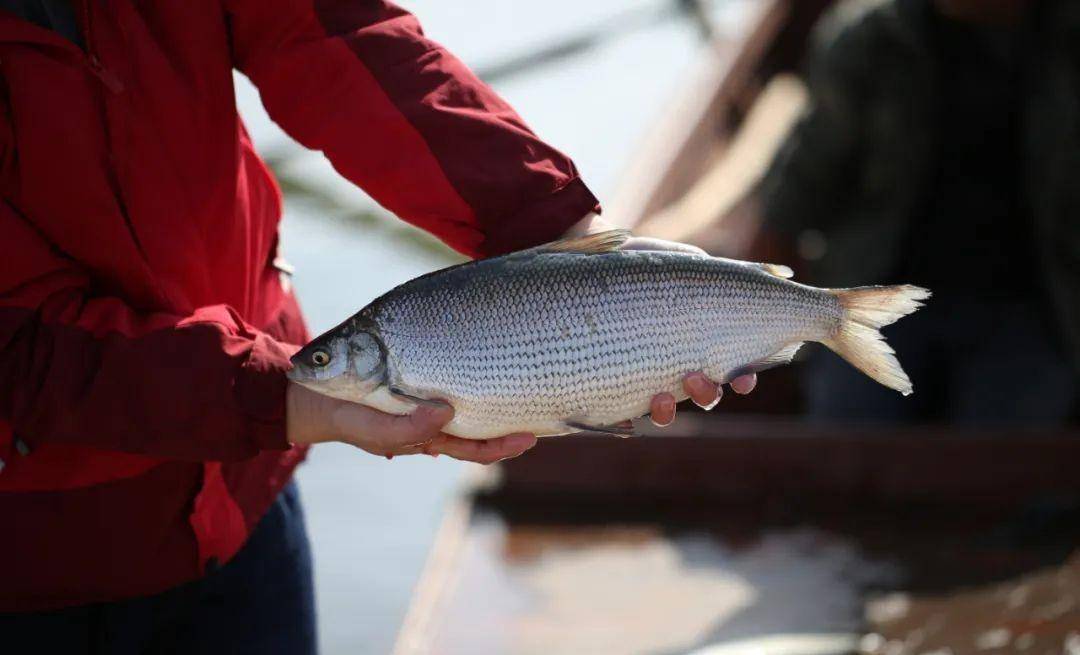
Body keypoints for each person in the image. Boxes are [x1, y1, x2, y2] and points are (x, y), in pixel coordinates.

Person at [0, 1, 755, 652]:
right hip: (43, 563)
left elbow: (335, 37)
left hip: (247, 489)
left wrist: (561, 228)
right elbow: (22, 348)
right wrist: (277, 398)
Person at [760, 0, 1079, 423]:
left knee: (1012, 463)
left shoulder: (1066, 42)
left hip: (1029, 304)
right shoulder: (873, 36)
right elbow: (808, 170)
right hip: (876, 288)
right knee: (847, 439)